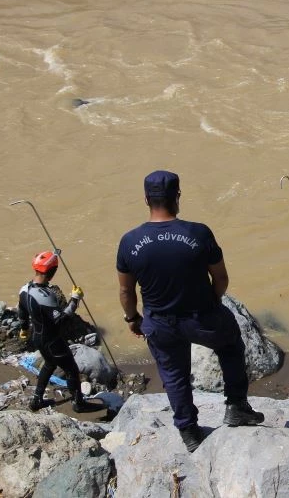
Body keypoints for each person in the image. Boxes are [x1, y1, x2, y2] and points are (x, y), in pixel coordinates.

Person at [116, 170, 264, 453]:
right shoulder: (199, 233)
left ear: (146, 199)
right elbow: (220, 279)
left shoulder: (129, 241)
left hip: (159, 322)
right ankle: (236, 406)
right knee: (231, 342)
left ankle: (189, 431)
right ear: (178, 197)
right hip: (201, 317)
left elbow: (126, 292)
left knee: (174, 374)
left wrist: (133, 319)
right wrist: (212, 303)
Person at [18, 251, 103, 413]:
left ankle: (36, 399)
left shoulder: (24, 290)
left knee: (49, 364)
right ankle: (78, 403)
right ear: (52, 272)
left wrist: (24, 329)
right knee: (71, 368)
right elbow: (61, 319)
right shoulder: (46, 296)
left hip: (38, 336)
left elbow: (21, 311)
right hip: (52, 340)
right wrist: (75, 299)